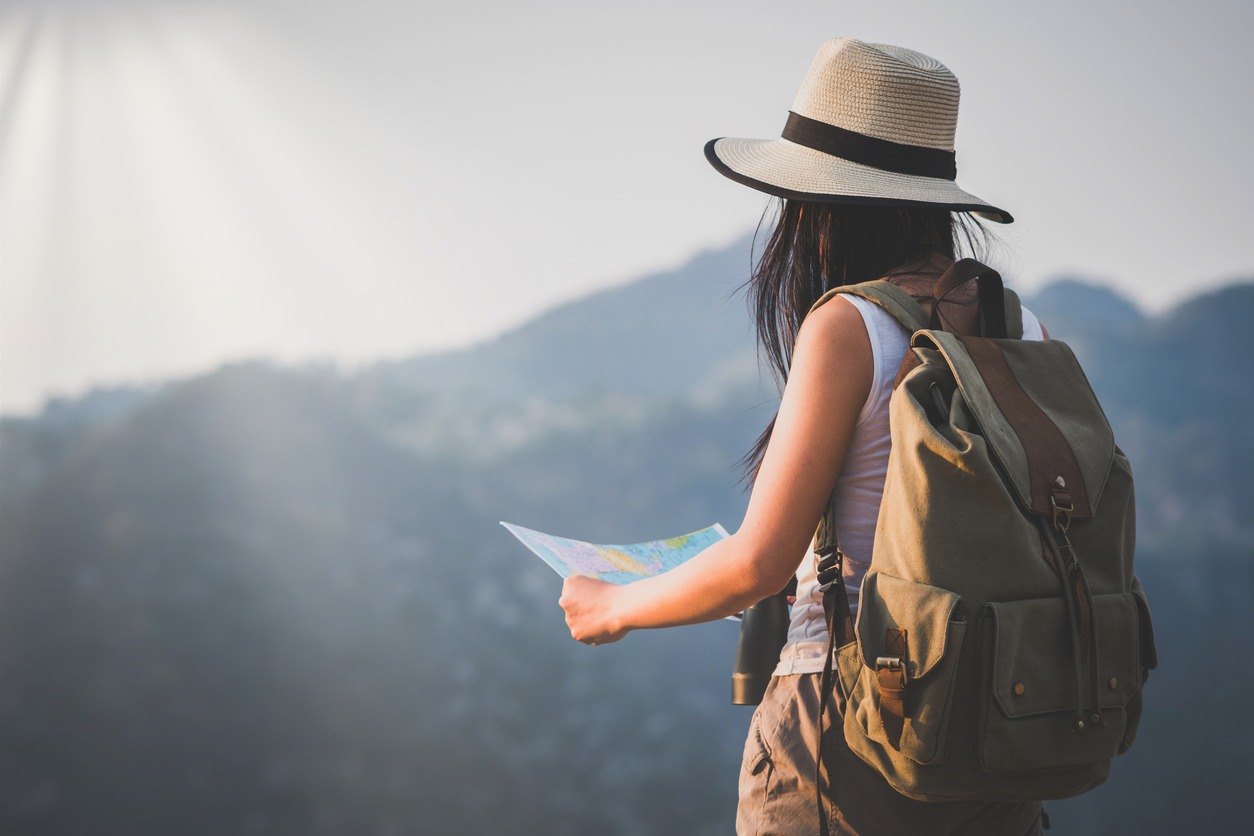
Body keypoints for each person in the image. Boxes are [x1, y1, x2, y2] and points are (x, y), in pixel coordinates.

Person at [559, 38, 1047, 835]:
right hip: (995, 728)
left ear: (821, 206)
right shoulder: (1022, 327)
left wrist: (611, 607)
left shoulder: (850, 324)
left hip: (847, 734)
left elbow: (757, 564)